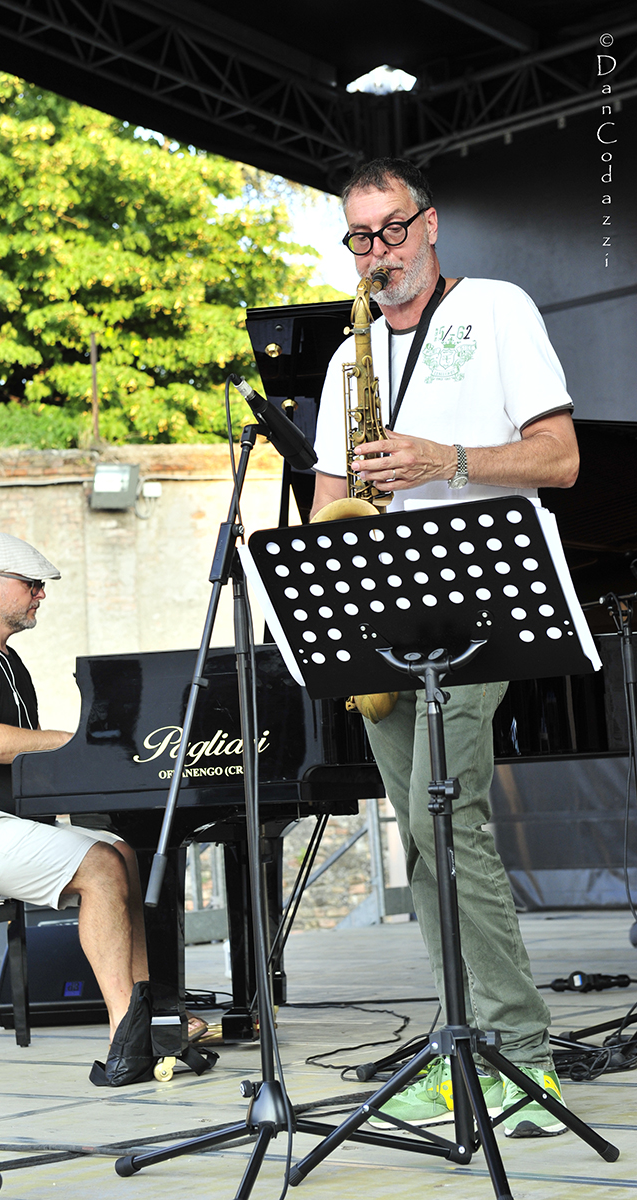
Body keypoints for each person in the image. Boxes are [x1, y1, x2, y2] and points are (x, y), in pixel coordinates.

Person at [312, 158, 579, 1137]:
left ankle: (523, 1061)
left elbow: (562, 457)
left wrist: (447, 460)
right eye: (359, 239)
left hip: (479, 603)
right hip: (386, 617)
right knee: (420, 845)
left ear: (430, 225)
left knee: (449, 825)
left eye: (390, 231)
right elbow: (327, 495)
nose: (376, 254)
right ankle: (462, 1044)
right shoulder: (351, 359)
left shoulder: (497, 311)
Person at [0, 531, 154, 1087]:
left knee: (122, 852)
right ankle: (126, 1033)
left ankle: (150, 1017)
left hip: (5, 824)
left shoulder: (10, 663)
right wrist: (73, 742)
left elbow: (26, 758)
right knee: (100, 866)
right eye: (32, 584)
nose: (41, 595)